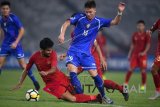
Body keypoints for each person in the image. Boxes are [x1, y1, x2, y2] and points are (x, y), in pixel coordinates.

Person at [58, 0, 125, 104]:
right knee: (72, 74)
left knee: (96, 76)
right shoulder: (79, 17)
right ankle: (81, 96)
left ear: (95, 11)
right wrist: (62, 34)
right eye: (86, 12)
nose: (88, 14)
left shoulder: (99, 21)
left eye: (90, 12)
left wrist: (119, 12)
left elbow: (115, 22)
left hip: (86, 55)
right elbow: (66, 22)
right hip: (74, 52)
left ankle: (103, 97)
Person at [13, 38, 102, 103]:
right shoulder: (34, 57)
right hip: (52, 84)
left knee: (77, 94)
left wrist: (46, 72)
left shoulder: (53, 54)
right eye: (48, 50)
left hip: (61, 78)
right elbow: (26, 70)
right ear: (42, 50)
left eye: (51, 49)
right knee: (72, 99)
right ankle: (96, 98)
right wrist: (20, 83)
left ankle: (94, 99)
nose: (50, 52)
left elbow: (53, 68)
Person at [0, 1, 40, 90]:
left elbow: (22, 30)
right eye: (3, 9)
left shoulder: (13, 18)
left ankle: (35, 81)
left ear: (9, 10)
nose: (5, 10)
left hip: (16, 45)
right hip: (5, 45)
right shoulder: (1, 19)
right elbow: (2, 31)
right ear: (1, 9)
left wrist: (16, 42)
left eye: (7, 9)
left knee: (23, 65)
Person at [124, 20, 151, 91]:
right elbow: (132, 45)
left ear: (144, 26)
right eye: (139, 25)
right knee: (130, 69)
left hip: (142, 56)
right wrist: (129, 54)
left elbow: (148, 45)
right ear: (137, 26)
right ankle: (125, 83)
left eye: (141, 25)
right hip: (135, 55)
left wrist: (144, 52)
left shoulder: (146, 34)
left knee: (143, 71)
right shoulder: (134, 34)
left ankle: (143, 85)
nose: (140, 27)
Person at [148, 18, 160, 100]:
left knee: (153, 69)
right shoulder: (159, 21)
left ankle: (158, 91)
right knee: (158, 71)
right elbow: (151, 29)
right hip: (158, 51)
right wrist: (149, 32)